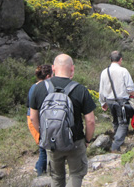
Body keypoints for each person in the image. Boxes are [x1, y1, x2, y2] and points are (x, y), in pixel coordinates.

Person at [30, 54, 96, 187]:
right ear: (72, 69)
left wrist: (44, 134)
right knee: (76, 174)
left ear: (53, 68)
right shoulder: (80, 90)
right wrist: (87, 140)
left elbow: (32, 117)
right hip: (75, 141)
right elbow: (90, 121)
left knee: (56, 177)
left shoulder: (39, 88)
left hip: (52, 141)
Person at [99, 51, 134, 152]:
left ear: (110, 60)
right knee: (123, 122)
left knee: (115, 121)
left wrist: (103, 102)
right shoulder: (123, 71)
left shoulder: (104, 72)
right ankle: (115, 145)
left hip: (109, 100)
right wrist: (132, 94)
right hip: (122, 101)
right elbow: (130, 88)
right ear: (120, 59)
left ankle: (118, 141)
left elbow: (101, 90)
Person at [26, 65, 52, 176]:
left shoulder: (33, 87)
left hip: (34, 119)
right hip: (36, 119)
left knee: (44, 147)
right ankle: (40, 173)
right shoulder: (43, 88)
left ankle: (39, 168)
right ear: (48, 76)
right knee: (43, 148)